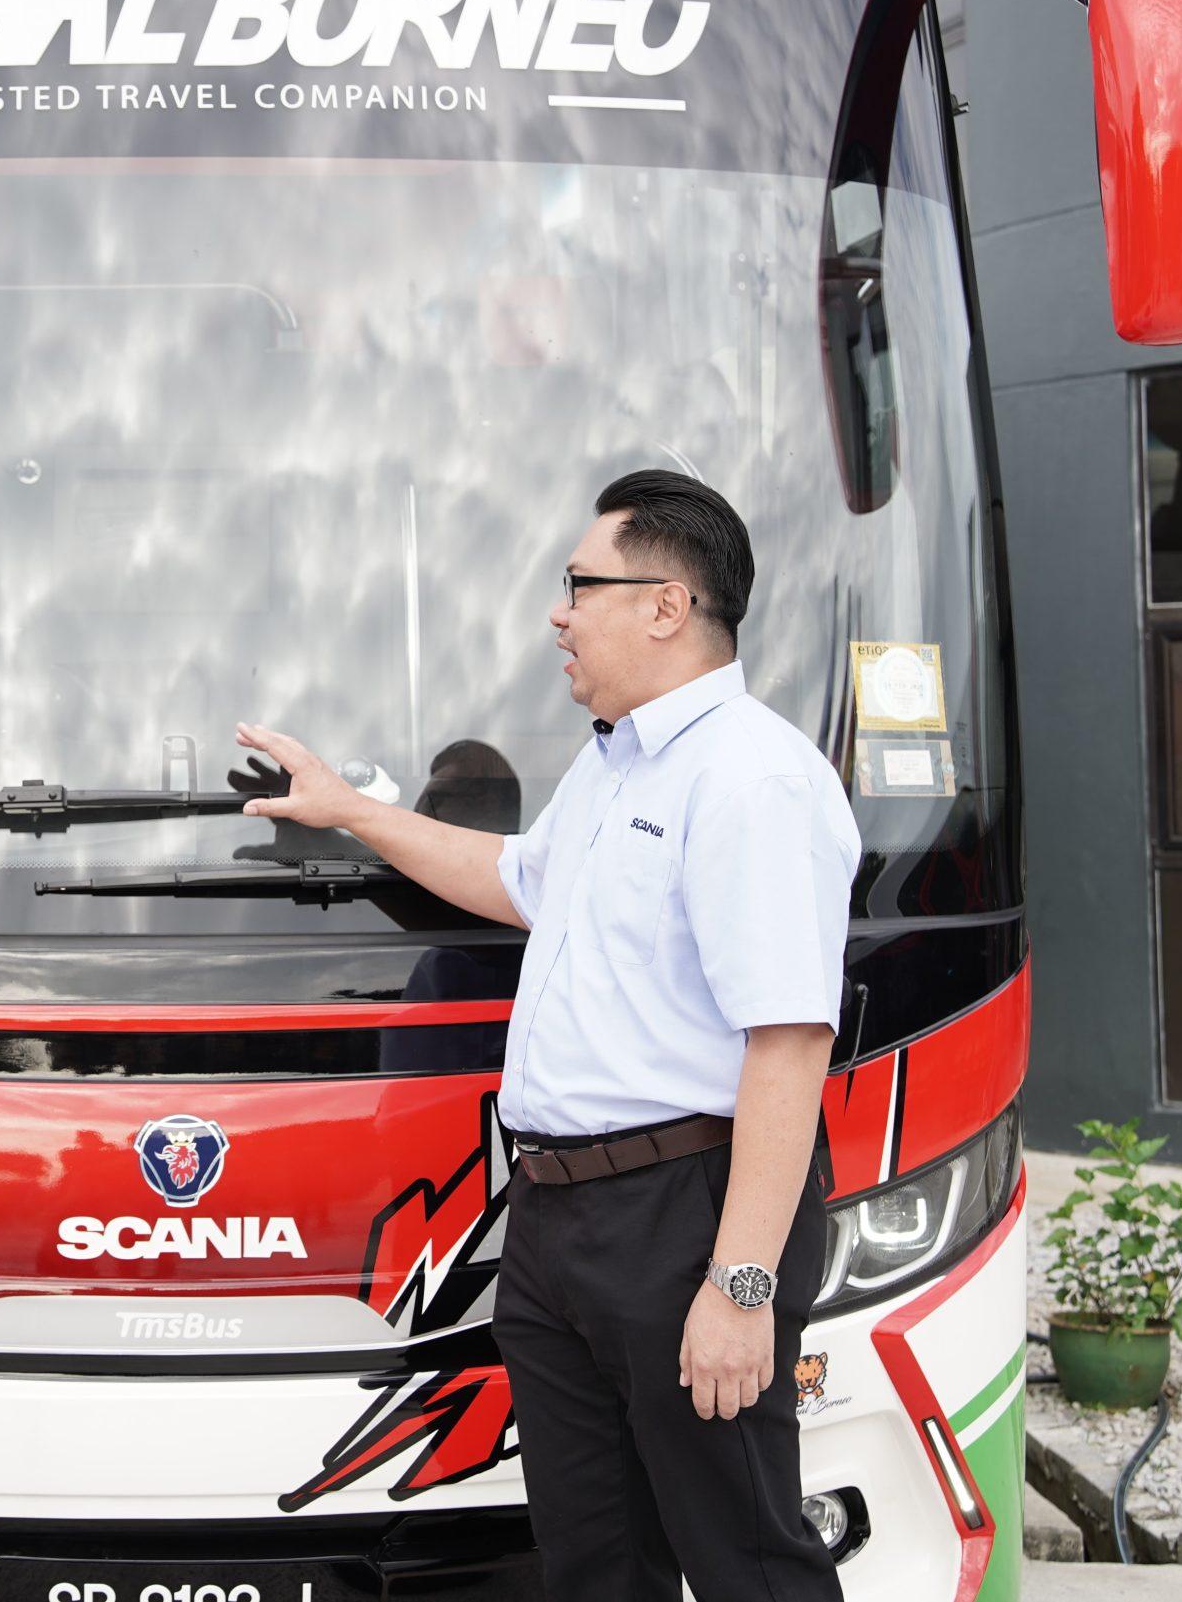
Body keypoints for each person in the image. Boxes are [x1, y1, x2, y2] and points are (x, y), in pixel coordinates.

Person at [238, 467, 858, 1600]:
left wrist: (741, 1287)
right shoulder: (614, 763)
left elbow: (788, 1043)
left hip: (681, 1216)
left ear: (665, 606)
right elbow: (518, 878)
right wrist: (352, 811)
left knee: (747, 1560)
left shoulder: (753, 778)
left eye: (580, 585)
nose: (558, 615)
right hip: (559, 1220)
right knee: (592, 1563)